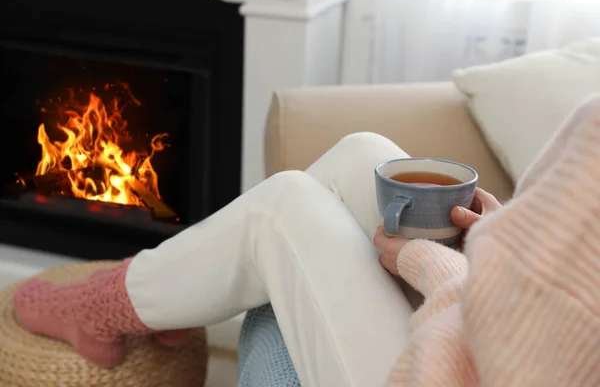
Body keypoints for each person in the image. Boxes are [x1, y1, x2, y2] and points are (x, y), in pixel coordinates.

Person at [12, 95, 600, 387]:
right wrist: (501, 239)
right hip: (473, 341)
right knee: (364, 153)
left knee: (283, 206)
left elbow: (528, 356)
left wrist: (427, 262)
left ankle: (106, 305)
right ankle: (168, 292)